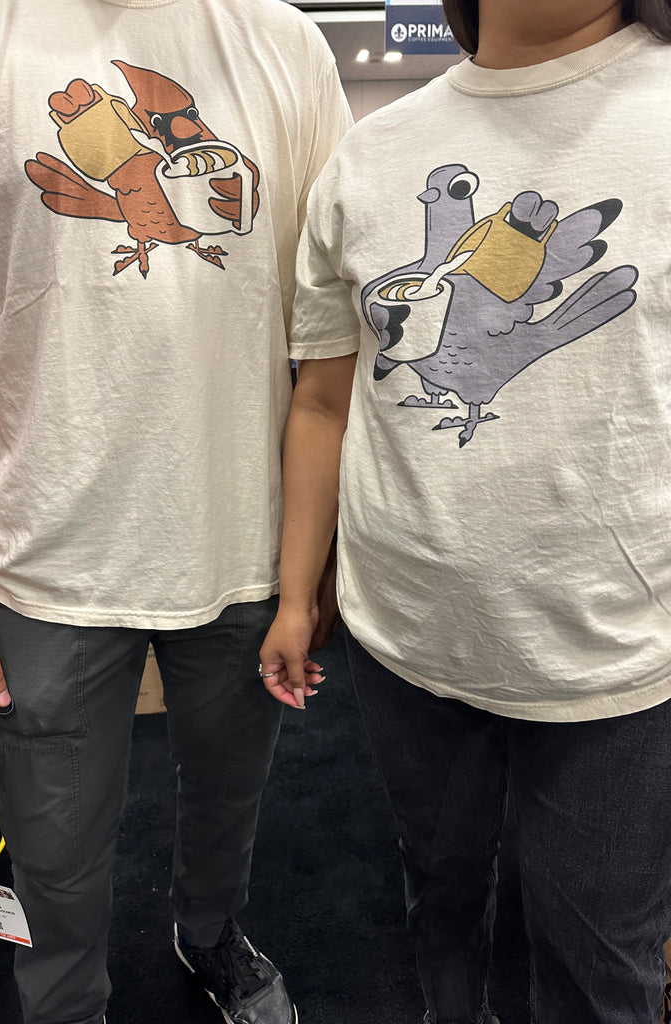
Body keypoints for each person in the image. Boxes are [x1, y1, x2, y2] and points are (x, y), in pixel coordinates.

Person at [0, 1, 350, 1022]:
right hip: (47, 557)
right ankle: (65, 1005)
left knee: (230, 799)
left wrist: (313, 561)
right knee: (52, 851)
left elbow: (326, 340)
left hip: (244, 541)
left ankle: (211, 933)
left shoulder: (285, 43)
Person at [259, 1, 671, 1021]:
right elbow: (323, 400)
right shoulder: (370, 155)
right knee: (439, 904)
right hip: (408, 636)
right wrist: (296, 593)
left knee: (598, 964)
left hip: (622, 657)